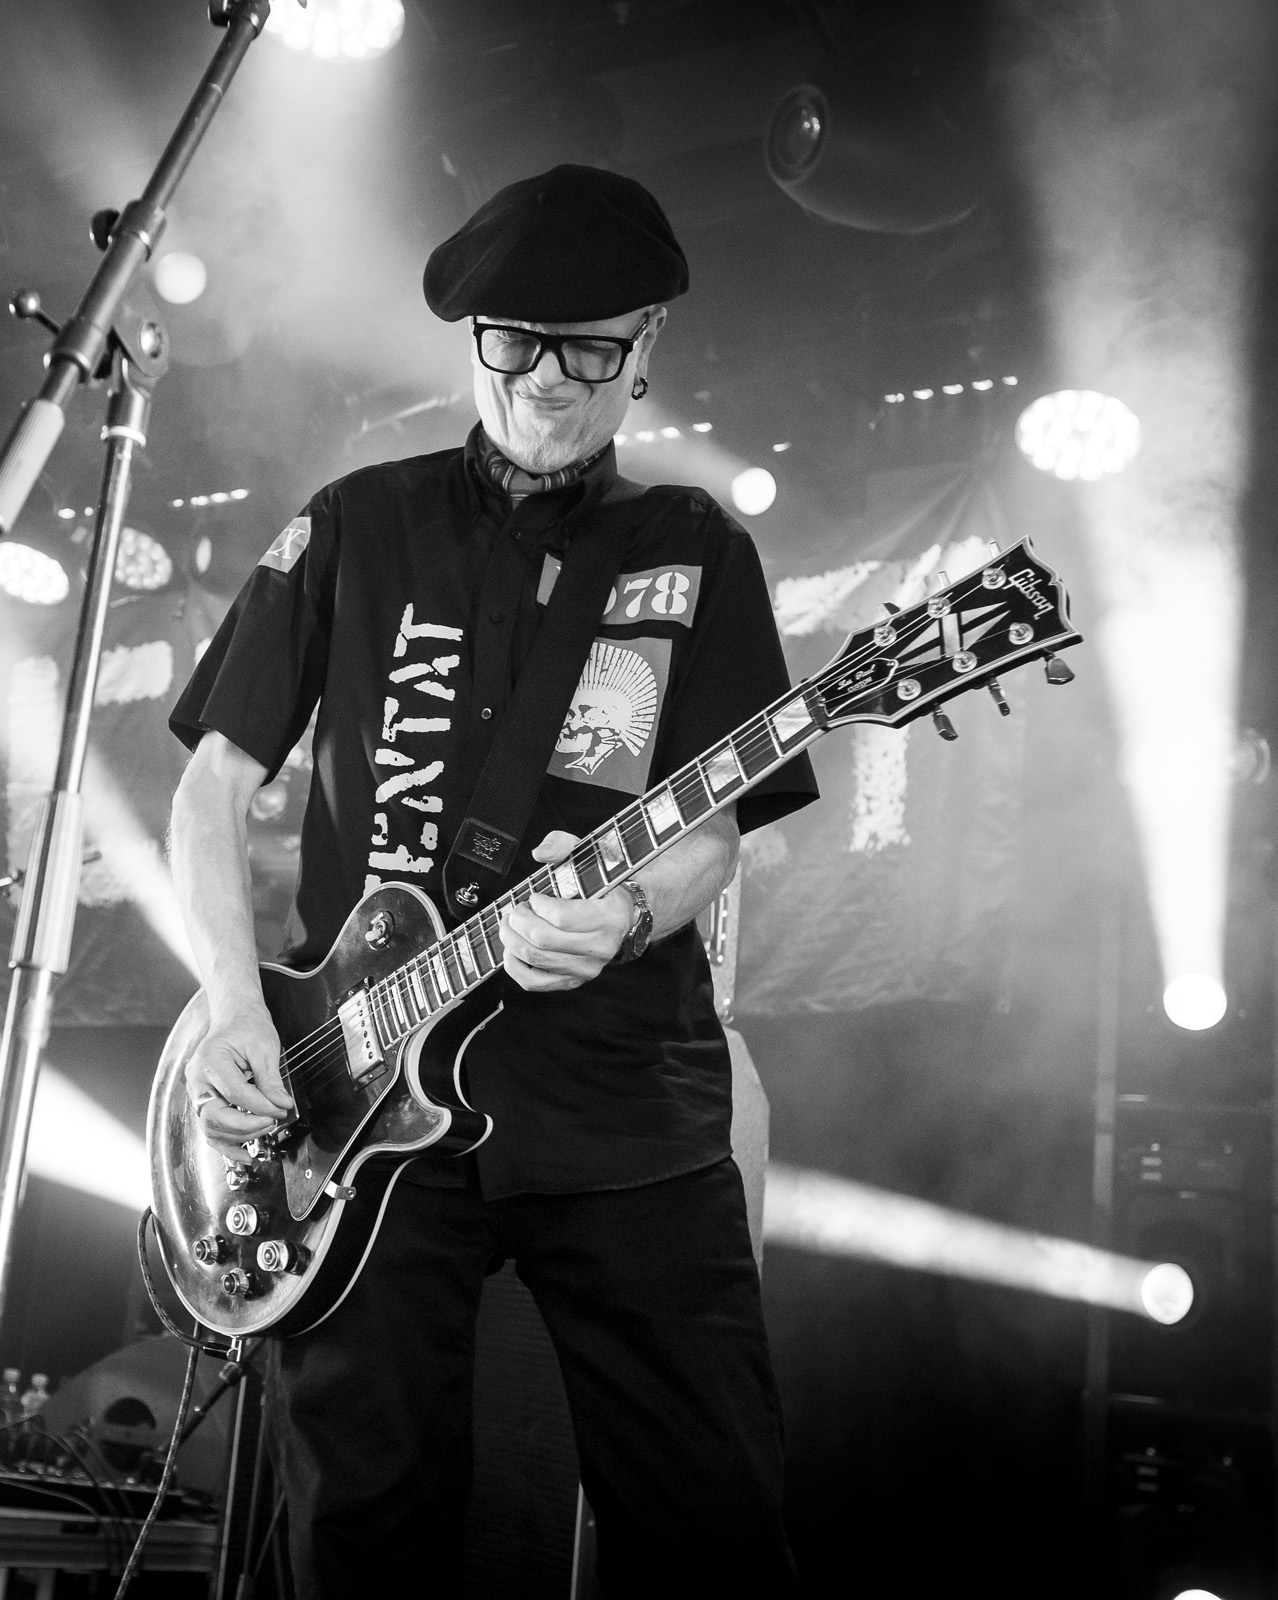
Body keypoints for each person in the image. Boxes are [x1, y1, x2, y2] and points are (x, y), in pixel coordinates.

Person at [168, 165, 819, 1596]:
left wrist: (628, 912)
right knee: (358, 1532)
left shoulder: (694, 548)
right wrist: (232, 1001)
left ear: (645, 348)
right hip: (362, 1117)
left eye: (587, 349)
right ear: (471, 340)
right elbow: (212, 786)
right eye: (514, 343)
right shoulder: (355, 523)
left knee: (710, 1518)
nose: (546, 381)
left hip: (621, 1098)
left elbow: (717, 825)